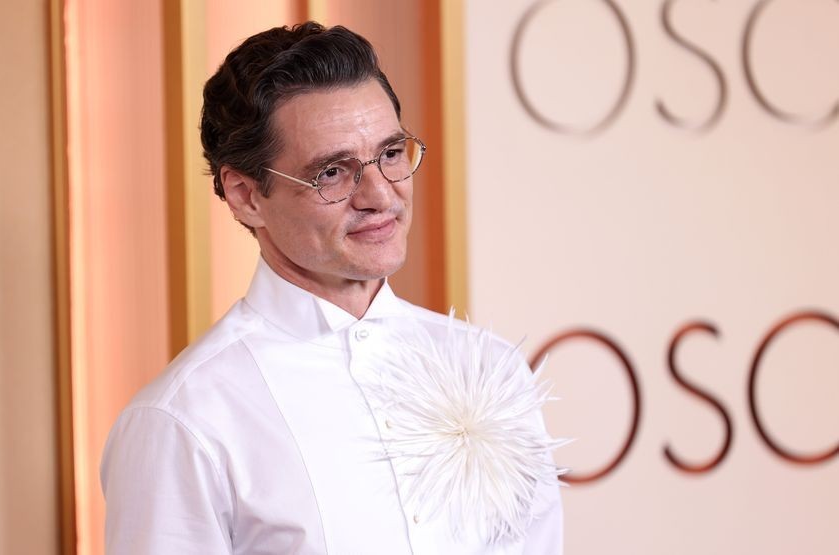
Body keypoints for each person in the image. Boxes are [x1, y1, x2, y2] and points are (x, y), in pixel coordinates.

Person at [101, 22, 563, 554]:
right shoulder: (183, 420)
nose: (380, 196)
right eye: (332, 173)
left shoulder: (490, 367)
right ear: (246, 195)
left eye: (391, 154)